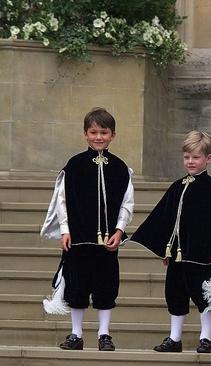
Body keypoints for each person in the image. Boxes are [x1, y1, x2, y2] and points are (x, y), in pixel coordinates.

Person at [41, 107, 135, 351]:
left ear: (113, 134)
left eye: (104, 132)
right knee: (77, 285)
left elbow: (127, 202)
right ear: (85, 134)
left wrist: (119, 229)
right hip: (79, 238)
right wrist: (64, 229)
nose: (98, 137)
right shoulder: (74, 166)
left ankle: (104, 334)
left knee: (106, 286)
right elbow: (62, 200)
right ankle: (76, 334)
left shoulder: (120, 168)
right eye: (93, 132)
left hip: (108, 242)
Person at [129, 131, 211, 353]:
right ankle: (175, 338)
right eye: (187, 157)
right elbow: (165, 218)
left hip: (204, 254)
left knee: (207, 294)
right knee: (175, 294)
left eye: (196, 157)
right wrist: (165, 248)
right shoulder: (176, 187)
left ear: (208, 158)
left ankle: (205, 338)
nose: (190, 162)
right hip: (177, 253)